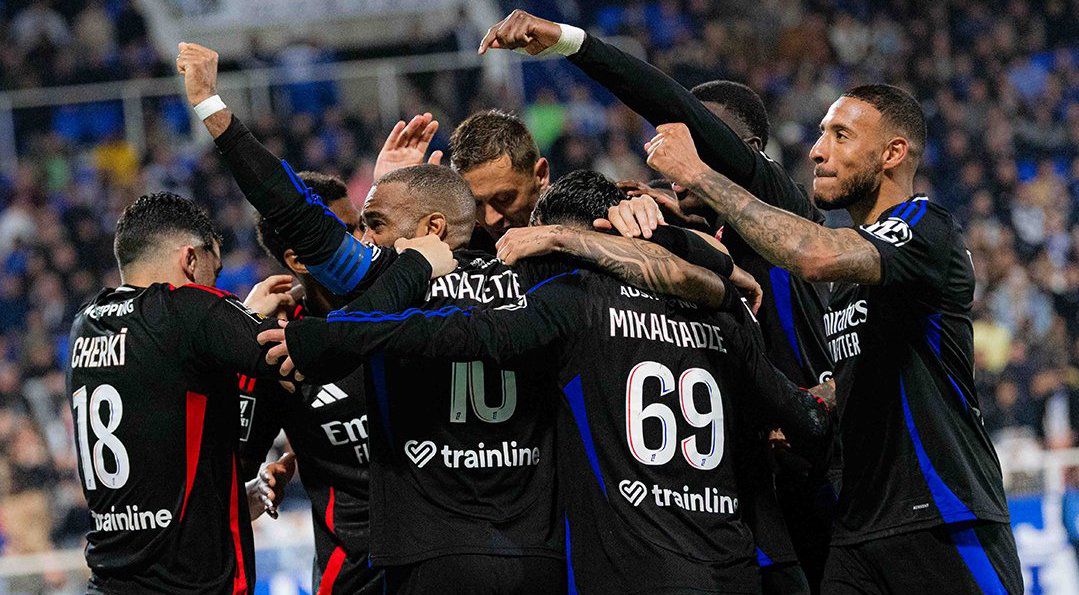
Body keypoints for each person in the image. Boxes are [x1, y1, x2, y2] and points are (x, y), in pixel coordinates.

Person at [177, 41, 740, 594]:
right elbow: (695, 265)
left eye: (375, 223)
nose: (366, 236)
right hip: (539, 554)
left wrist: (212, 108)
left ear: (433, 227)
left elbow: (293, 210)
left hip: (431, 552)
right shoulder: (545, 275)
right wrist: (695, 254)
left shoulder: (394, 280)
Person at [269, 170, 835, 594]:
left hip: (624, 568)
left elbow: (458, 332)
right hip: (740, 562)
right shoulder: (722, 311)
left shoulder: (570, 304)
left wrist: (330, 336)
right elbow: (803, 419)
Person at [477, 11, 834, 590]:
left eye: (698, 149)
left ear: (744, 154)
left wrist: (571, 43)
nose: (676, 168)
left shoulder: (780, 213)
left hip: (825, 477)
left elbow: (666, 100)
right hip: (749, 506)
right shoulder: (684, 242)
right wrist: (636, 228)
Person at [643, 86, 1021, 593]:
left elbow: (812, 254)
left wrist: (698, 175)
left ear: (892, 153)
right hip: (857, 529)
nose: (818, 151)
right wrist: (809, 403)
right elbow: (861, 376)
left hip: (942, 514)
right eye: (822, 134)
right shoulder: (849, 283)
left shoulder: (925, 227)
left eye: (840, 135)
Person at [67, 192, 286, 594]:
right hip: (189, 585)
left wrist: (233, 501)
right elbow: (299, 356)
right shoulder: (188, 309)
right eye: (214, 272)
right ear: (189, 259)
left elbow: (164, 444)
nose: (214, 285)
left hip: (110, 581)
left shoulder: (85, 325)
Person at [238, 171, 383, 594]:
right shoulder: (276, 344)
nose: (364, 242)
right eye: (346, 231)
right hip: (354, 574)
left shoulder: (401, 303)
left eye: (363, 226)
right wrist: (242, 330)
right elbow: (234, 462)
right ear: (298, 260)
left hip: (438, 558)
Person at [449, 109, 550, 242]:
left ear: (541, 175)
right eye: (477, 203)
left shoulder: (576, 220)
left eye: (504, 198)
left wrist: (563, 240)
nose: (490, 220)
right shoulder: (464, 241)